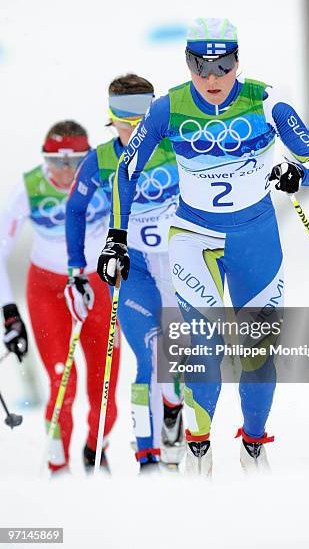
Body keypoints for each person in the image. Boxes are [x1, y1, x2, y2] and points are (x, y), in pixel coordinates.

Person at [97, 18, 309, 475]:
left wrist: (299, 174)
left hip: (255, 239)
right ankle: (198, 449)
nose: (211, 80)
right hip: (194, 239)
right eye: (199, 67)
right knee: (204, 351)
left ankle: (254, 444)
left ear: (237, 62)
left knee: (258, 354)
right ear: (187, 64)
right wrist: (116, 238)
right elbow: (127, 171)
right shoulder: (167, 108)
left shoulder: (267, 102)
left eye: (222, 67)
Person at [65, 74, 184, 472]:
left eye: (141, 113)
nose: (132, 125)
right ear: (110, 116)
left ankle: (173, 408)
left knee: (177, 360)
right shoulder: (99, 159)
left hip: (181, 264)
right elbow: (75, 212)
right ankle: (146, 457)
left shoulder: (172, 144)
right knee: (148, 358)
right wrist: (75, 268)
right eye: (123, 114)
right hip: (134, 268)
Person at [0, 120, 119, 474]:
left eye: (75, 162)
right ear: (44, 162)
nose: (65, 173)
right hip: (48, 290)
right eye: (56, 163)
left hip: (98, 285)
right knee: (61, 380)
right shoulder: (31, 186)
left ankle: (95, 449)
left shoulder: (104, 178)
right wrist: (9, 311)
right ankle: (58, 463)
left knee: (105, 386)